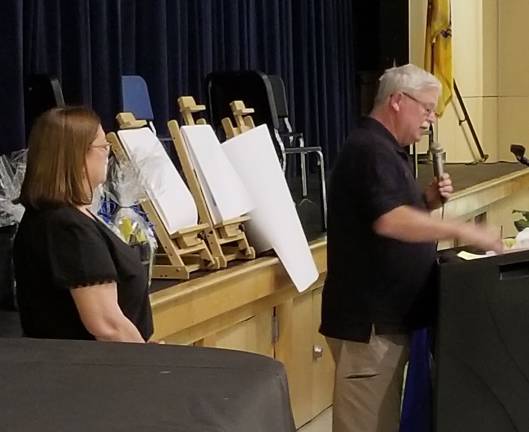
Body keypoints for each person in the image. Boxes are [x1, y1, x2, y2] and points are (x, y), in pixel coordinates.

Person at [320, 64, 503, 432]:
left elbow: (386, 210)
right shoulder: (369, 149)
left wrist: (426, 200)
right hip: (369, 327)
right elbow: (389, 221)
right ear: (398, 101)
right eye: (427, 108)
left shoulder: (388, 150)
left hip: (390, 321)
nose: (431, 119)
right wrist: (464, 230)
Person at [14, 106, 153, 343]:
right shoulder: (67, 228)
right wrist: (151, 364)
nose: (108, 154)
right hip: (93, 371)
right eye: (103, 147)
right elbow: (107, 326)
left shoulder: (61, 217)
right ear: (77, 156)